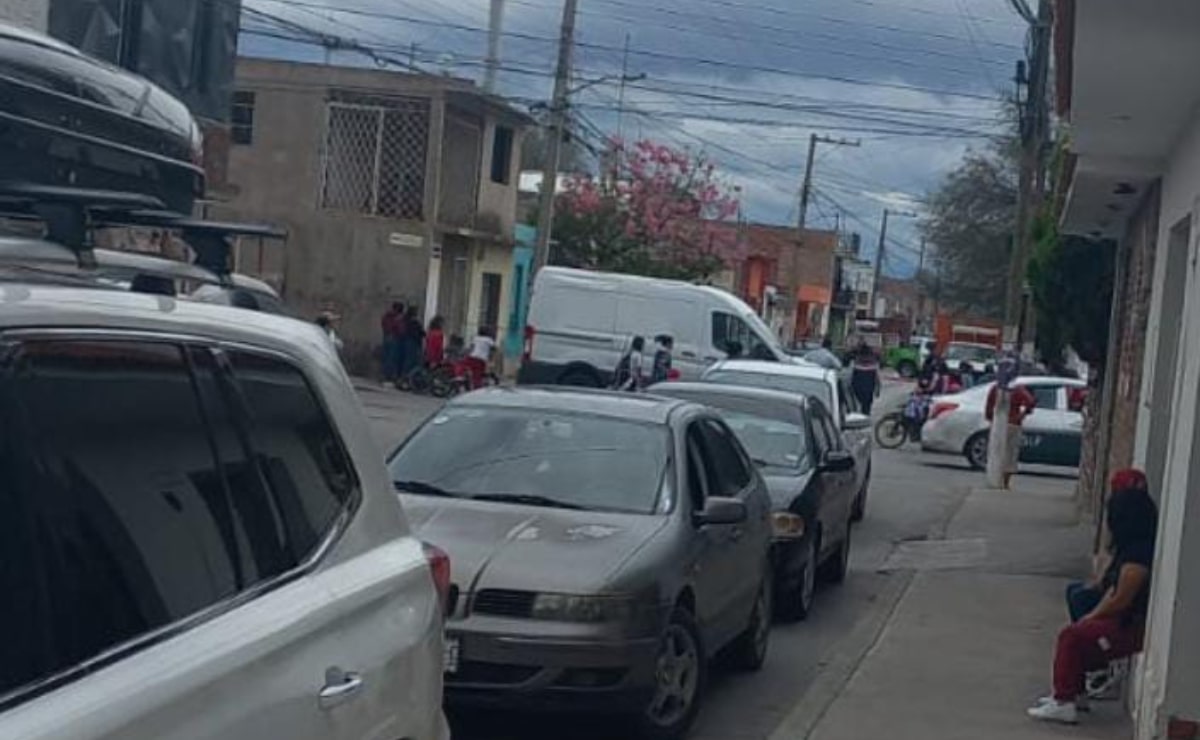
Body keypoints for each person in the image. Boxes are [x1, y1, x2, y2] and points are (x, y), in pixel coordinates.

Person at [1028, 470, 1157, 724]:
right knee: (1078, 610)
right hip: (1126, 620)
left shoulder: (1138, 556)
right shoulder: (1130, 548)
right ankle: (1075, 693)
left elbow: (1120, 599)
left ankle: (1064, 700)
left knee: (1071, 636)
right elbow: (1108, 587)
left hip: (1130, 627)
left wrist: (1090, 618)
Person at [984, 359, 1037, 489]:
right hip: (1013, 424)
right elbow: (1030, 402)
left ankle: (994, 478)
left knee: (995, 451)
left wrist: (991, 419)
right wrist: (1022, 415)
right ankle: (1005, 482)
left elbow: (988, 408)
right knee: (1010, 454)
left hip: (998, 424)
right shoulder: (1017, 389)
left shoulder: (995, 388)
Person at [849, 342, 881, 415]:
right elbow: (876, 378)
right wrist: (878, 389)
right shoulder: (873, 363)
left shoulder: (857, 363)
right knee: (867, 404)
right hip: (869, 388)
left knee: (860, 402)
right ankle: (865, 414)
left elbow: (852, 378)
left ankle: (861, 413)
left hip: (858, 387)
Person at [380, 302, 404, 384]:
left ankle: (385, 376)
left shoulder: (386, 316)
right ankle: (388, 377)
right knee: (391, 358)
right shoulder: (396, 318)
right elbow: (400, 329)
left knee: (386, 357)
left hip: (386, 337)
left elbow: (383, 325)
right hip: (393, 338)